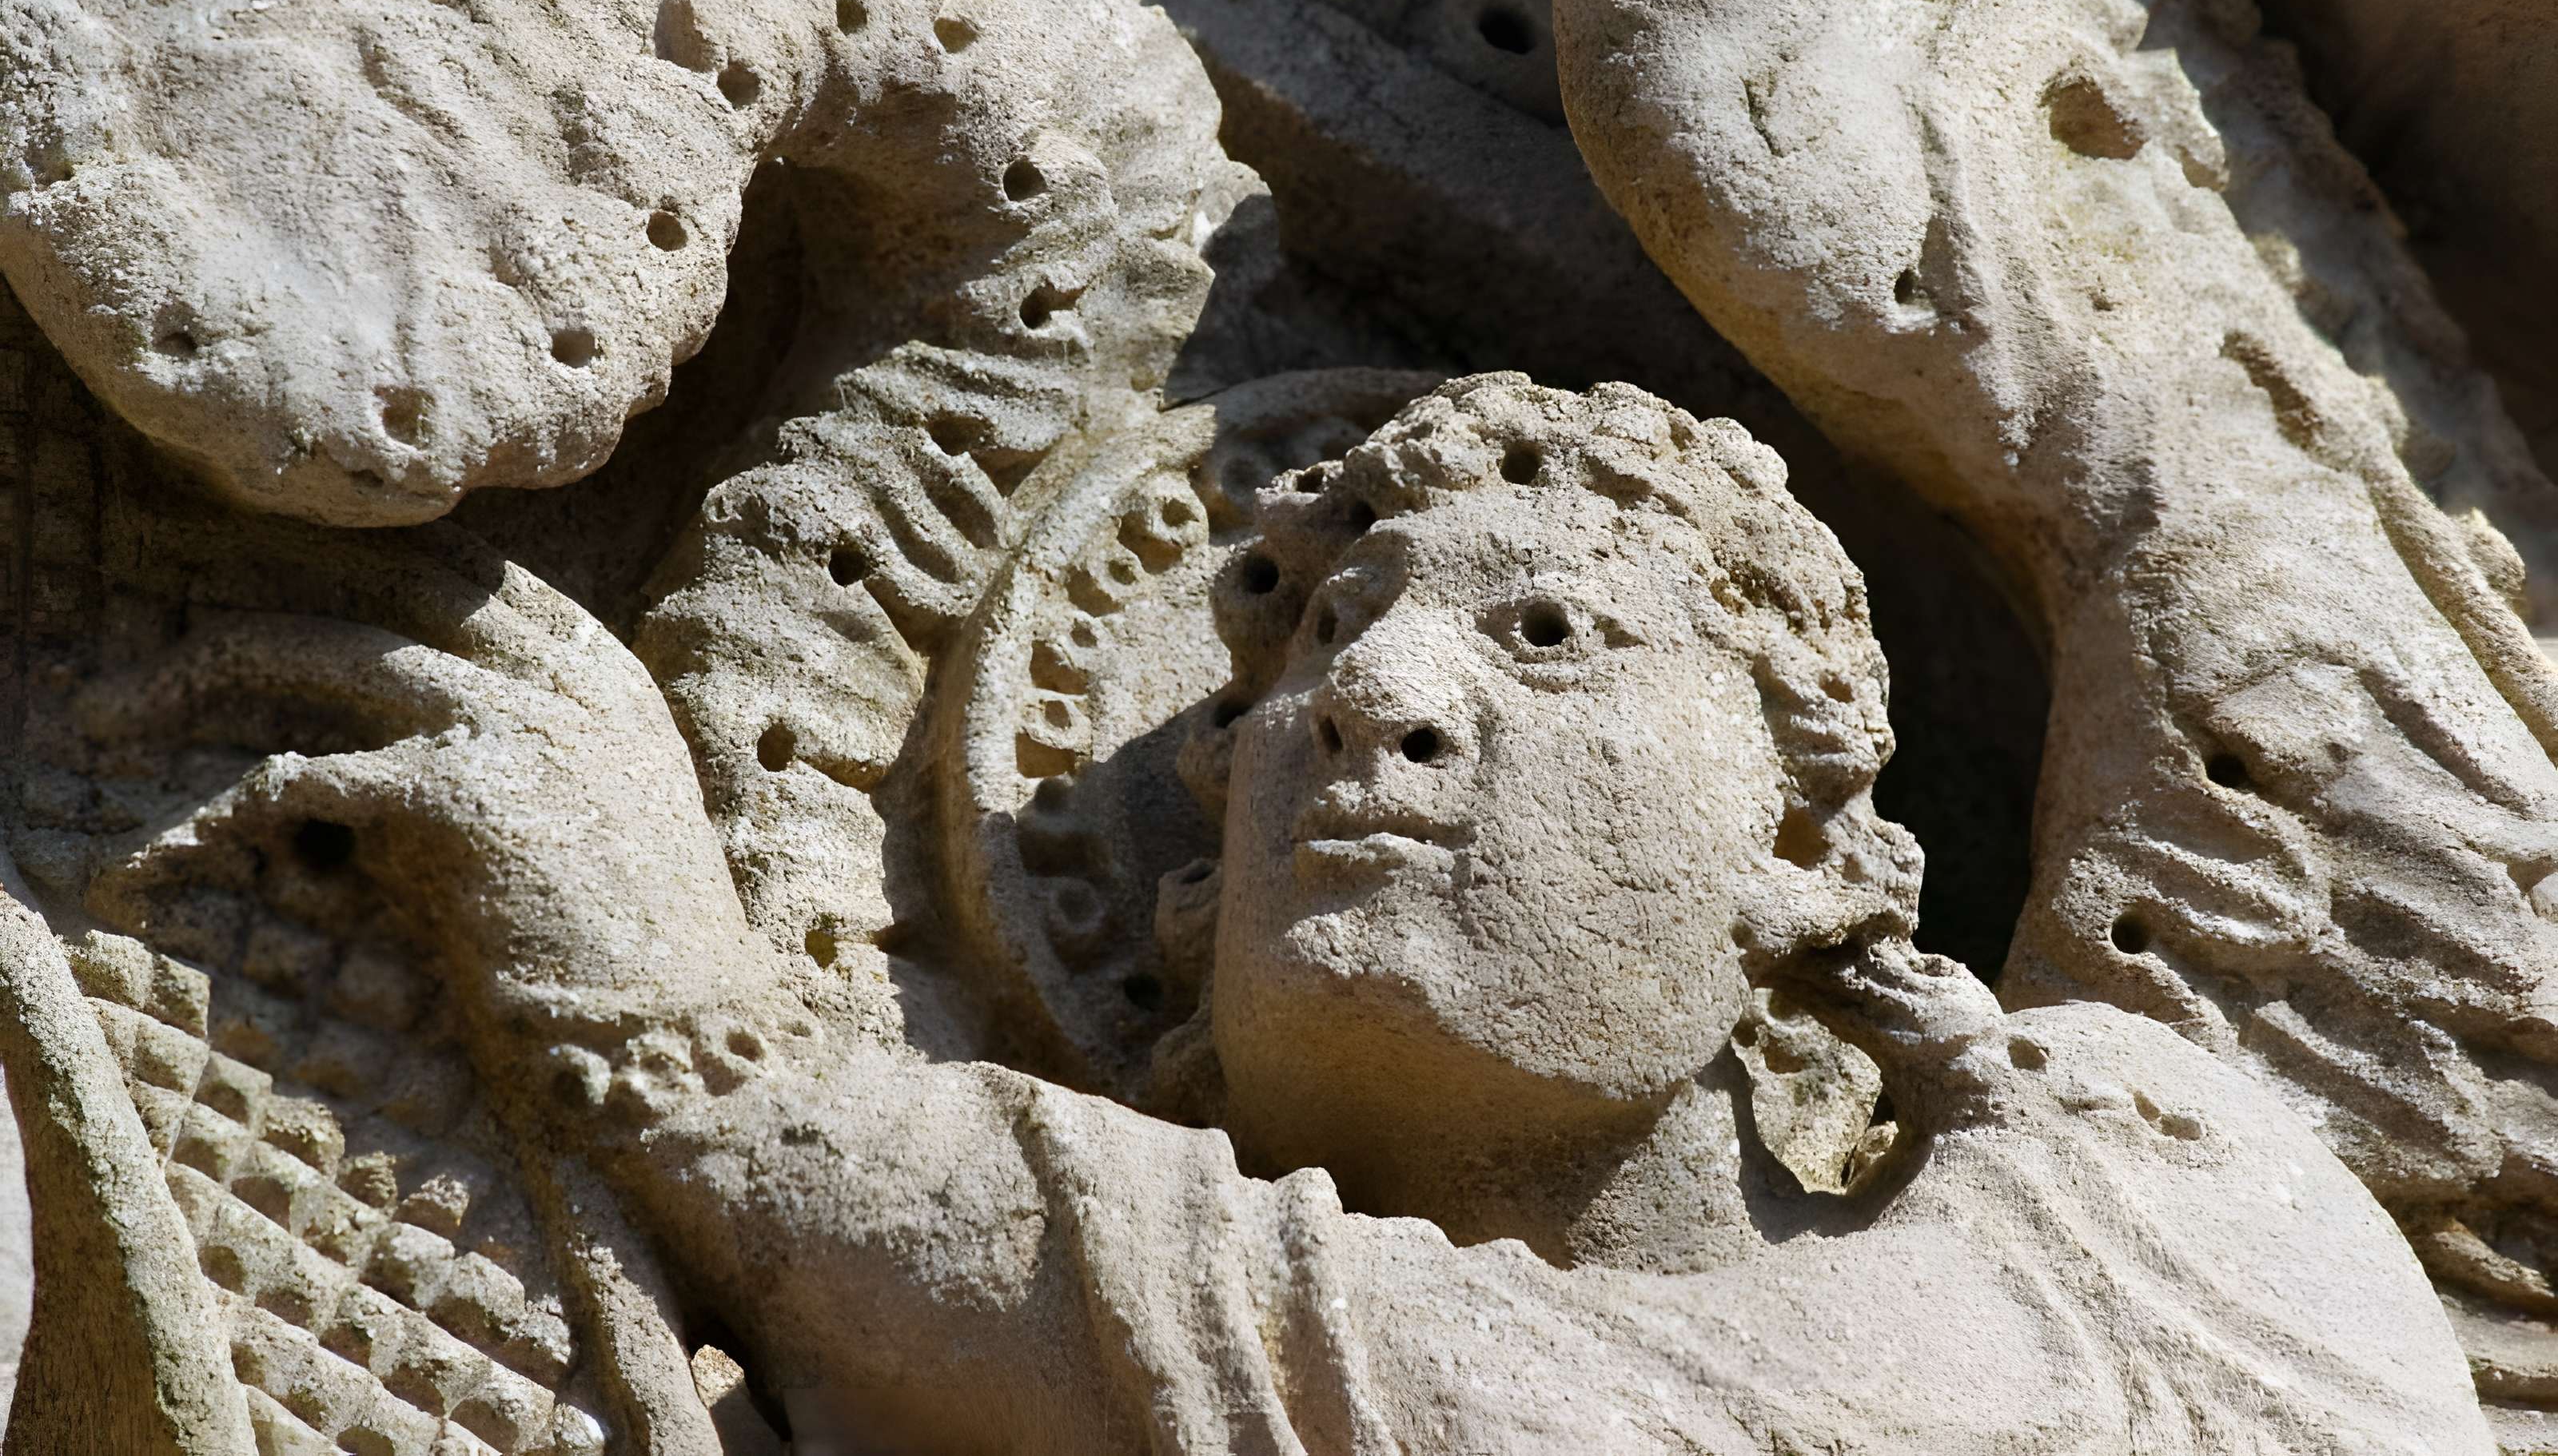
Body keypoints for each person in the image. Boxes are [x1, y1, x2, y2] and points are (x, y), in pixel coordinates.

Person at [114, 376, 2486, 1452]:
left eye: (1550, 638)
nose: (1379, 707)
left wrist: (684, 1029)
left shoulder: (2157, 1230)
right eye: (1329, 640)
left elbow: (1506, 1398)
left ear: (1822, 857)